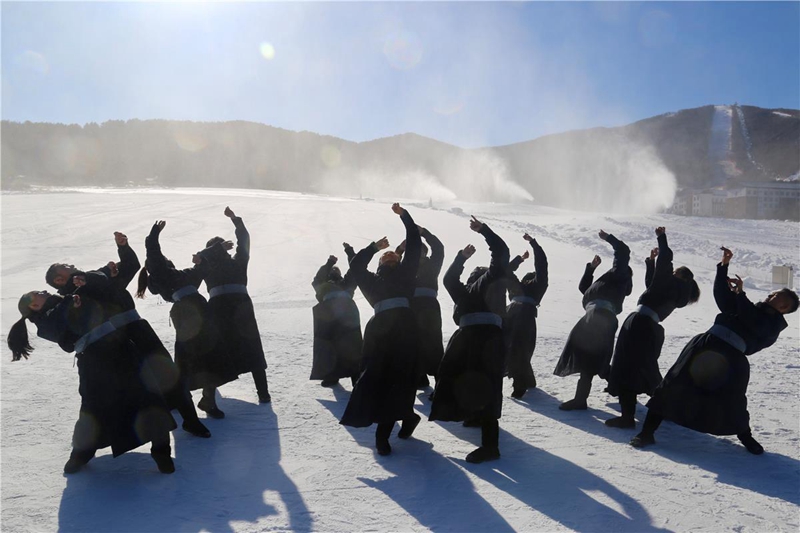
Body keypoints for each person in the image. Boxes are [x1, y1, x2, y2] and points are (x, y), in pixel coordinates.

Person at [631, 247, 799, 454]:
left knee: (732, 400)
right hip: (705, 345)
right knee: (673, 384)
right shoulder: (747, 305)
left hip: (731, 358)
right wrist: (724, 267)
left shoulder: (774, 325)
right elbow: (722, 298)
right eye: (773, 293)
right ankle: (647, 432)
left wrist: (741, 295)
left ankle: (745, 436)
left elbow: (754, 322)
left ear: (784, 307)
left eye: (777, 296)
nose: (771, 295)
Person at [45, 232, 210, 437]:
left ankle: (190, 420)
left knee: (168, 373)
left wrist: (123, 247)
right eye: (65, 267)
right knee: (137, 387)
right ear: (59, 279)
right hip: (115, 343)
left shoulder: (94, 276)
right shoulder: (70, 299)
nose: (70, 264)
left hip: (138, 328)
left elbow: (131, 266)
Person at [7, 291, 177, 474]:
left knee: (148, 398)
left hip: (121, 349)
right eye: (37, 294)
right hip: (94, 362)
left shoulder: (70, 299)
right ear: (34, 306)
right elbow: (67, 337)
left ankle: (162, 453)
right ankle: (81, 454)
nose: (43, 291)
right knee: (93, 409)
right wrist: (71, 304)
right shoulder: (45, 324)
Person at [340, 203, 422, 456]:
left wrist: (405, 217)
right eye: (385, 256)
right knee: (378, 377)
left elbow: (415, 244)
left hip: (405, 327)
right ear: (379, 263)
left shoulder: (407, 273)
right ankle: (397, 424)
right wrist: (373, 248)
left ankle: (397, 423)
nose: (390, 256)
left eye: (393, 255)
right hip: (379, 331)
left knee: (402, 376)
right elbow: (356, 266)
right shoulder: (371, 281)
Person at [137, 220, 238, 419]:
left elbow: (203, 267)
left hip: (198, 310)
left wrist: (208, 255)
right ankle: (179, 398)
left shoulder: (182, 274)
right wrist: (154, 232)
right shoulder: (162, 274)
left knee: (209, 354)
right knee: (190, 357)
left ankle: (207, 400)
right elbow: (153, 251)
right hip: (188, 312)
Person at [429, 216, 509, 464]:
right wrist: (461, 258)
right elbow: (449, 280)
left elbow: (501, 254)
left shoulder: (487, 283)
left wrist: (484, 231)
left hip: (484, 339)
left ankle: (490, 447)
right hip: (469, 340)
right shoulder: (466, 293)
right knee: (465, 381)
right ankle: (474, 416)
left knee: (485, 386)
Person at [605, 227, 700, 428]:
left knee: (626, 366)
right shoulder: (677, 292)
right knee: (645, 368)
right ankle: (665, 406)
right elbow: (652, 285)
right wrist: (651, 263)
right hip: (648, 327)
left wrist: (661, 238)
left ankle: (629, 417)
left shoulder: (671, 284)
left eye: (675, 272)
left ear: (681, 277)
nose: (671, 272)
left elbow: (664, 263)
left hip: (638, 324)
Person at [196, 207, 271, 403]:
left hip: (225, 306)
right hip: (237, 305)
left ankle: (211, 396)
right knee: (246, 347)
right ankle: (262, 393)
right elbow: (200, 255)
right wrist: (222, 242)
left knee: (222, 348)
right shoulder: (217, 264)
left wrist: (235, 219)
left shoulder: (225, 263)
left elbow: (243, 239)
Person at [554, 230, 632, 410]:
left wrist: (609, 238)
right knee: (592, 358)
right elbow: (584, 289)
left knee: (591, 358)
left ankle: (585, 398)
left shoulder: (619, 275)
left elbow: (623, 251)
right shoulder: (606, 284)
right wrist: (591, 269)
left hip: (600, 317)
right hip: (594, 316)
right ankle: (619, 388)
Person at [397, 226, 445, 389]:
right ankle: (420, 377)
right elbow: (391, 265)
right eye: (414, 251)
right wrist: (400, 250)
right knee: (413, 341)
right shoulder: (406, 268)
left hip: (429, 305)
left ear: (425, 252)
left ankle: (440, 380)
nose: (418, 254)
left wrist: (424, 233)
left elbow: (438, 248)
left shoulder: (433, 264)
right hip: (411, 306)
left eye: (421, 251)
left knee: (433, 341)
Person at [504, 233, 549, 399]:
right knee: (521, 348)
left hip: (511, 315)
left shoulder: (520, 286)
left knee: (514, 348)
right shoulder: (537, 285)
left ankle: (521, 384)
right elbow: (542, 266)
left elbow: (506, 270)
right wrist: (532, 245)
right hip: (524, 316)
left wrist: (520, 259)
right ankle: (526, 381)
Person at [310, 249, 363, 387]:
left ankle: (356, 376)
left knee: (352, 344)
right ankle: (332, 376)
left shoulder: (346, 283)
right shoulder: (322, 285)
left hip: (347, 312)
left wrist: (351, 254)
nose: (335, 271)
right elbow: (318, 278)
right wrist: (329, 263)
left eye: (337, 270)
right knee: (329, 344)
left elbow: (354, 271)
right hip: (328, 313)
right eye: (332, 270)